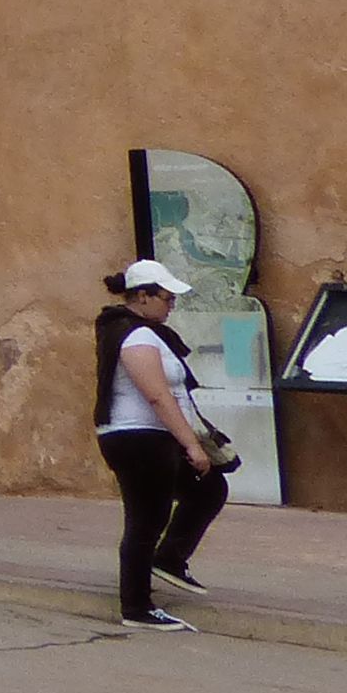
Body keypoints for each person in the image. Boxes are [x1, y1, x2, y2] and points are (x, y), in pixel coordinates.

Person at [98, 259, 229, 629]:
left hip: (149, 437)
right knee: (146, 519)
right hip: (138, 438)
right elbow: (157, 395)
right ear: (142, 296)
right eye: (166, 298)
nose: (171, 305)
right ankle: (136, 607)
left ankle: (169, 559)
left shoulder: (144, 331)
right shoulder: (135, 336)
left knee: (210, 488)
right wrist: (191, 445)